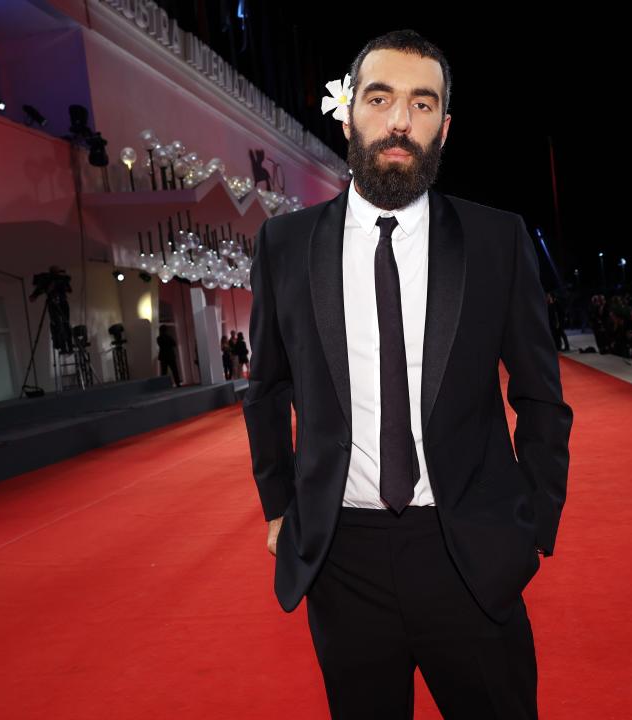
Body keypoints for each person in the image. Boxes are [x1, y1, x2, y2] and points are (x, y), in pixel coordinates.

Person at [242, 30, 573, 719]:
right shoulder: (285, 245)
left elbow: (541, 393)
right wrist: (279, 506)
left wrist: (533, 521)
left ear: (444, 127)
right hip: (343, 559)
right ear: (349, 112)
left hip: (471, 551)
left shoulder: (496, 240)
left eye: (423, 104)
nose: (400, 121)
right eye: (381, 97)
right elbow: (267, 387)